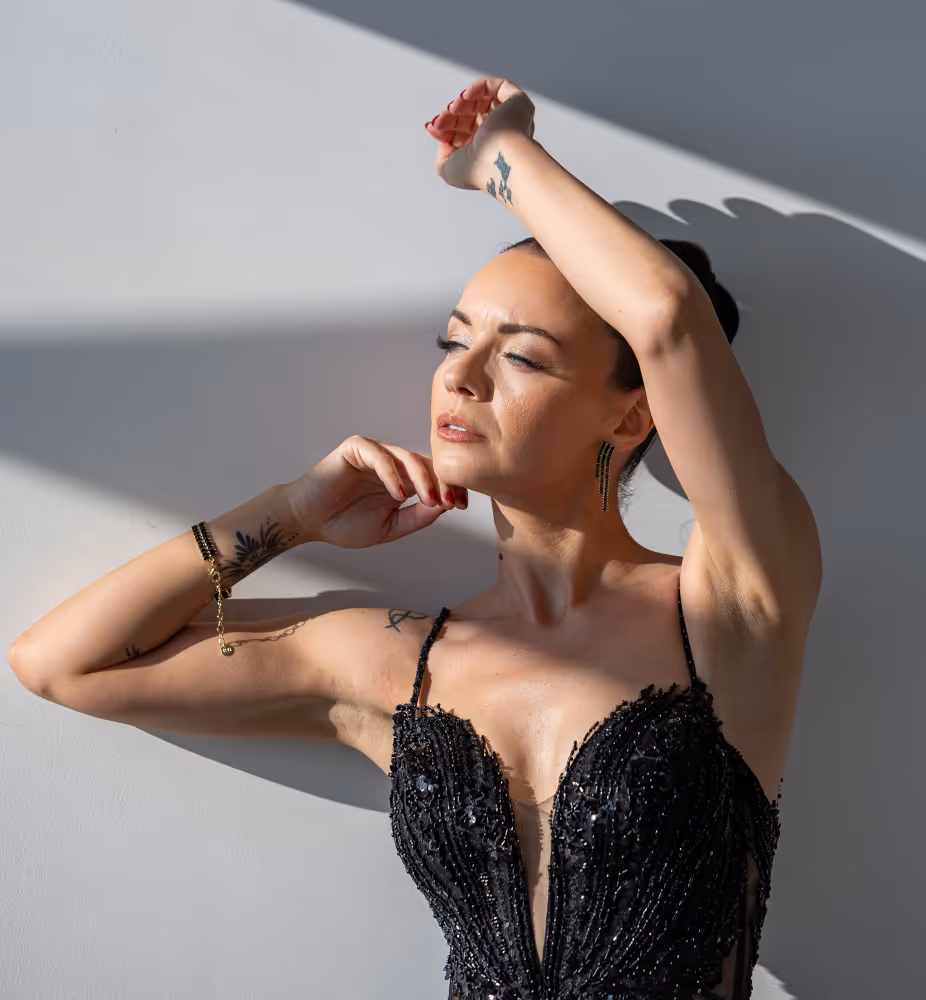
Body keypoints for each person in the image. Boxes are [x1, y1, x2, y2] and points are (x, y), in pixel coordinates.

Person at [8, 78, 822, 1000]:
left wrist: (501, 160)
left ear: (632, 415)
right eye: (452, 343)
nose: (460, 378)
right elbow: (61, 664)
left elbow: (667, 317)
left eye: (521, 355)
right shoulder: (399, 662)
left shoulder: (729, 606)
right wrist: (291, 515)